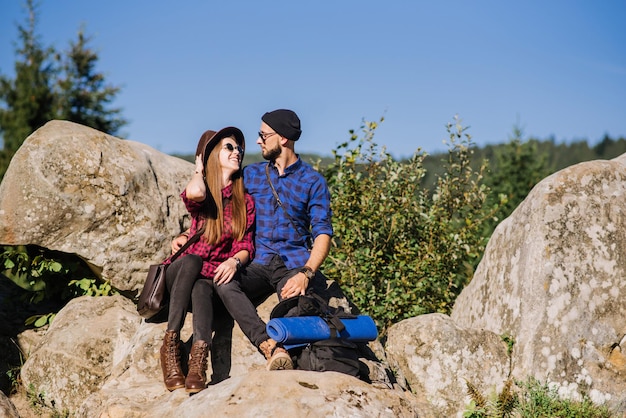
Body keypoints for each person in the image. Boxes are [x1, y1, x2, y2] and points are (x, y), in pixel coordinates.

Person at [174, 109, 333, 371]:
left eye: (263, 135)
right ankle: (268, 345)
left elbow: (322, 233)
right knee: (224, 283)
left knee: (296, 308)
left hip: (293, 263)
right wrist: (186, 236)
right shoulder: (252, 175)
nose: (258, 141)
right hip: (256, 263)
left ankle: (296, 355)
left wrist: (306, 273)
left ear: (282, 138)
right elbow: (218, 206)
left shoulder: (313, 181)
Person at [160, 127, 255, 393]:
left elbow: (245, 245)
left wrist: (234, 261)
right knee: (192, 262)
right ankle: (171, 344)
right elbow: (194, 194)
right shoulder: (205, 192)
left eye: (239, 149)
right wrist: (199, 168)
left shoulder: (244, 201)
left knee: (203, 286)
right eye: (229, 147)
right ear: (212, 154)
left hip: (206, 280)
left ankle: (197, 365)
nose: (237, 152)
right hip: (179, 276)